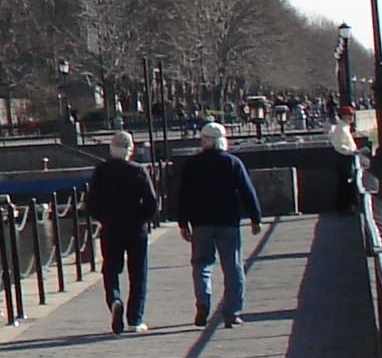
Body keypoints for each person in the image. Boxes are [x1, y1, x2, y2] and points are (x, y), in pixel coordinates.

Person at [172, 121, 265, 328]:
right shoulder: (232, 162)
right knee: (233, 267)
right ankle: (232, 312)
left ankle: (203, 302)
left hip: (200, 222)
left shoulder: (192, 164)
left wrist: (183, 222)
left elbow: (183, 195)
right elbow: (246, 191)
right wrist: (255, 217)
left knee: (201, 264)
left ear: (203, 141)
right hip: (228, 221)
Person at [85, 129, 158, 334]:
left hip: (111, 228)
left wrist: (103, 218)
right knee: (138, 274)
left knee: (111, 270)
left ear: (111, 148)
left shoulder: (101, 171)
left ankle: (115, 300)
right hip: (136, 228)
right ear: (130, 149)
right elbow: (152, 202)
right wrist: (143, 217)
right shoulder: (138, 170)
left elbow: (91, 202)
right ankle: (135, 319)